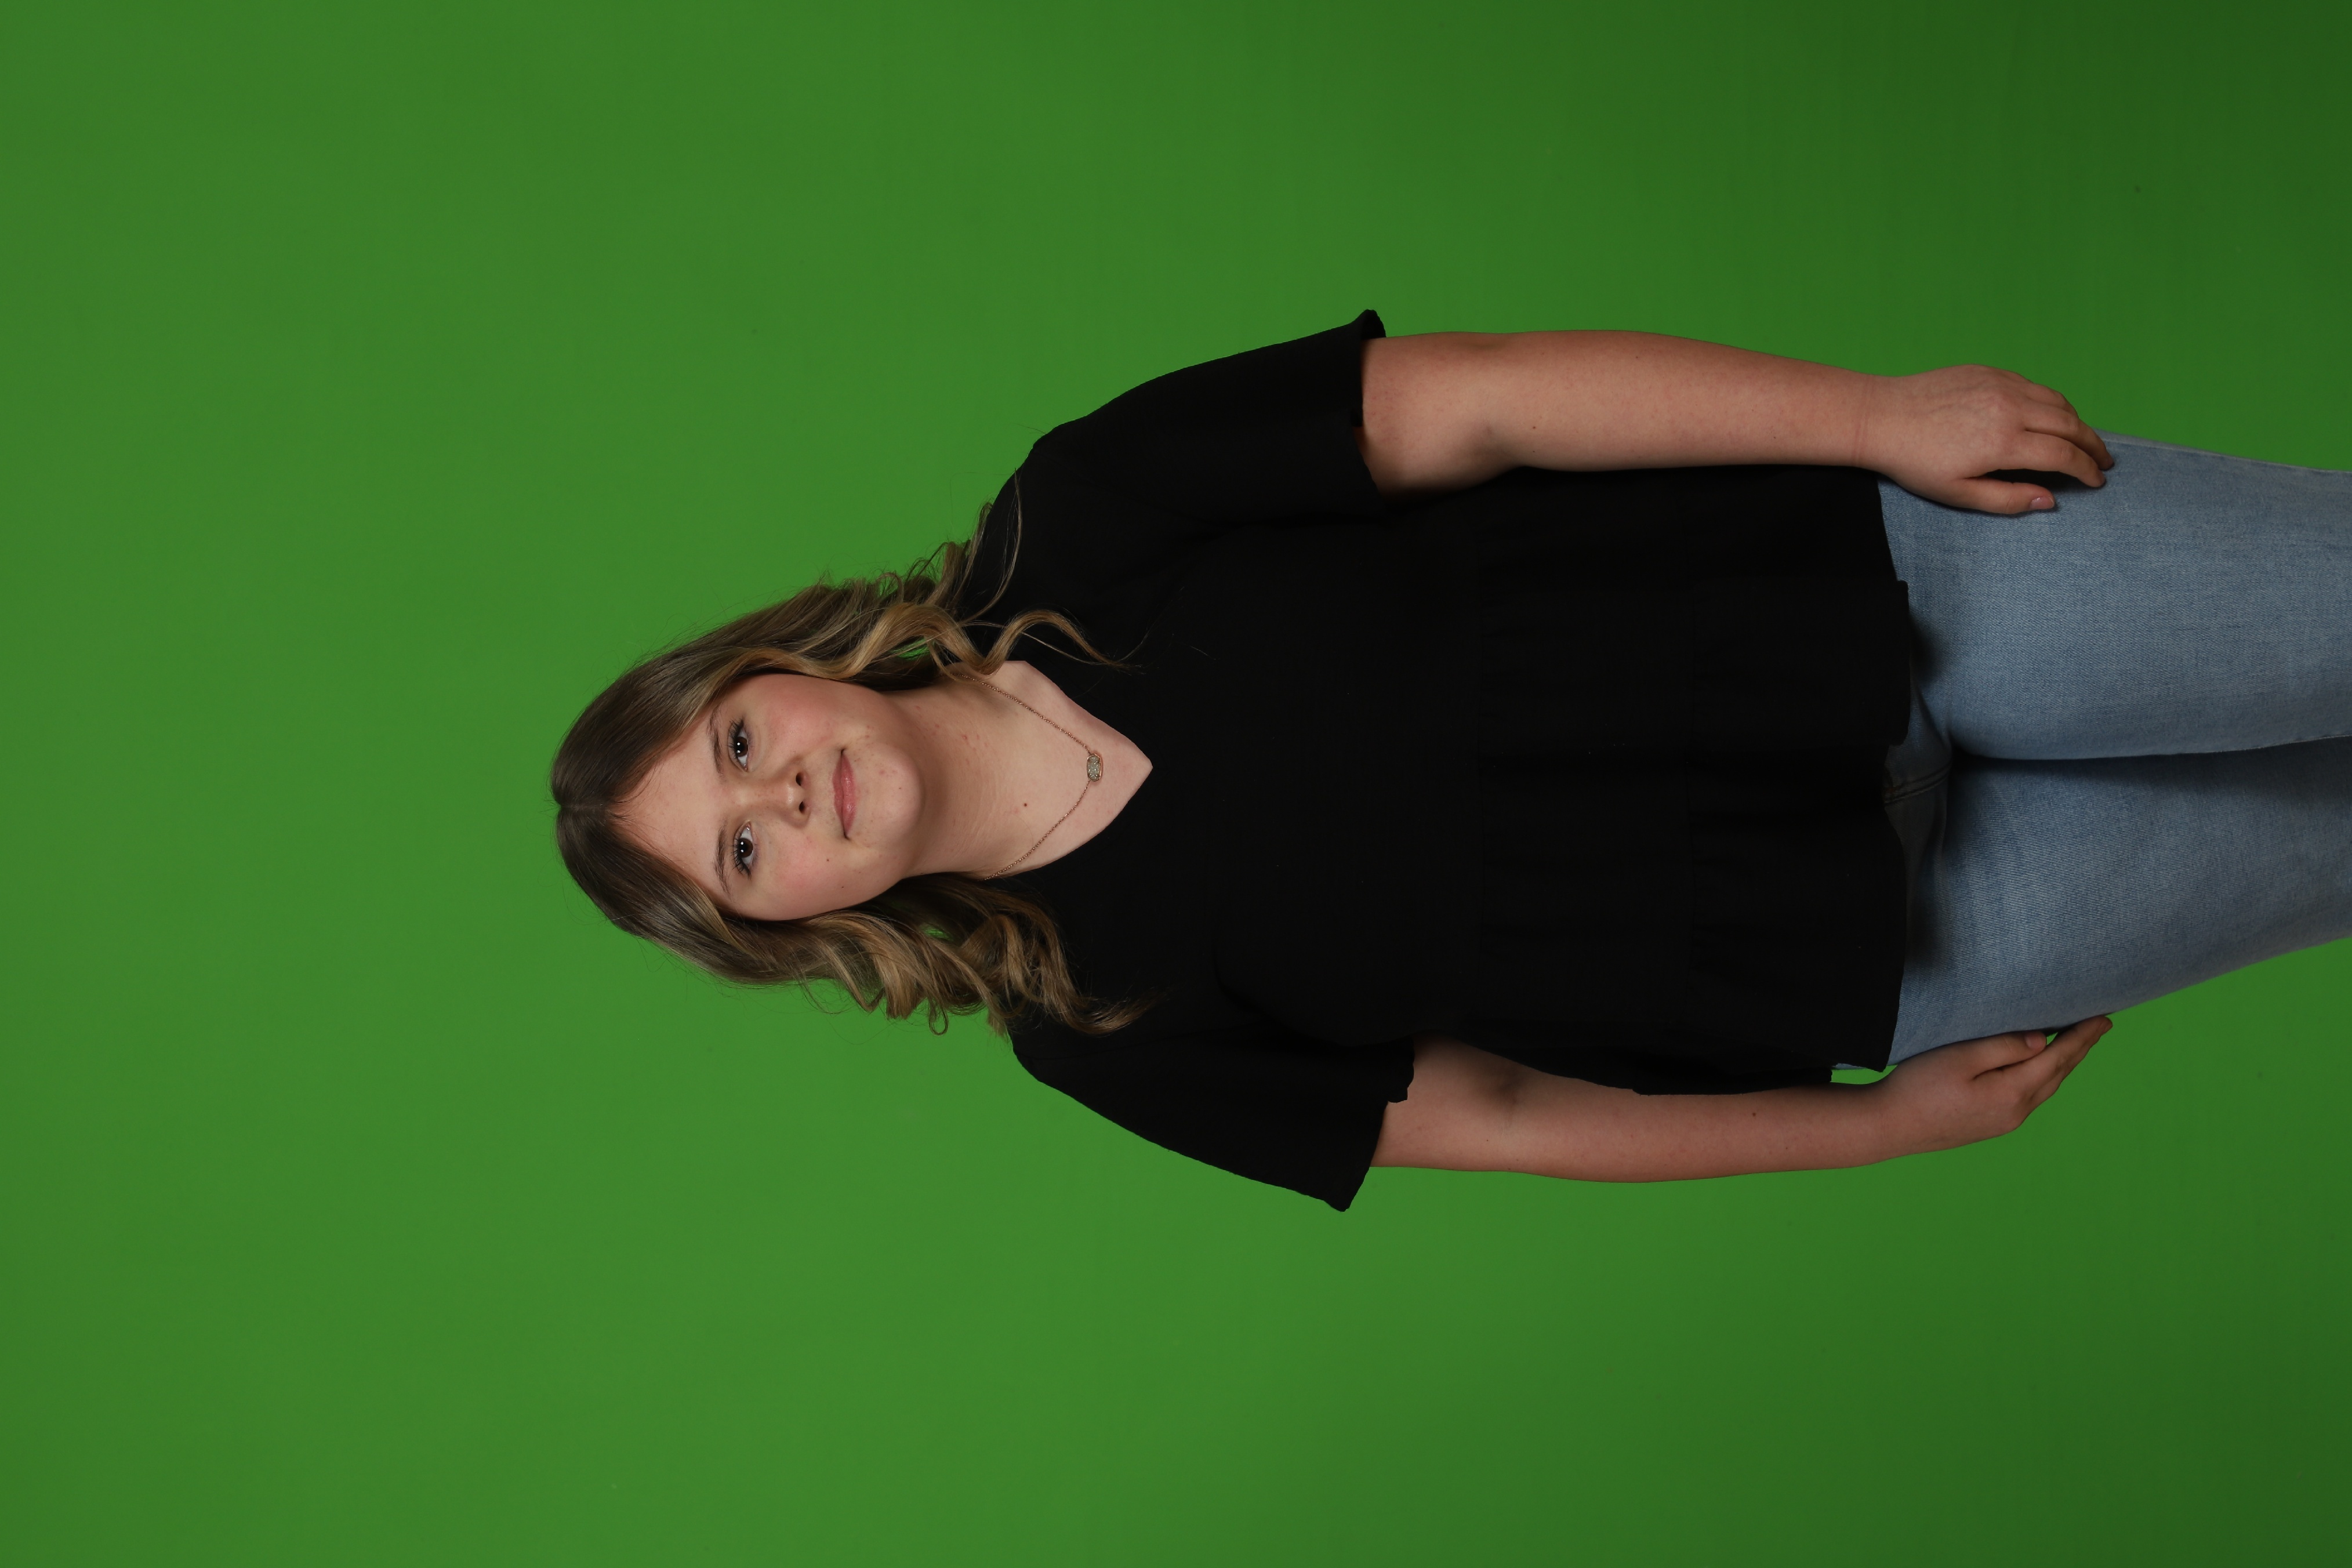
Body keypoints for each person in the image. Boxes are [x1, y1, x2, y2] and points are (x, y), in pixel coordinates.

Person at [552, 313, 2352, 1209]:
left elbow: (1484, 402)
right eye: (741, 853)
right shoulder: (1093, 1027)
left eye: (737, 744)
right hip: (1899, 943)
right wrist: (1871, 1129)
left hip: (1901, 583)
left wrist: (1876, 416)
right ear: (793, 924)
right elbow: (1501, 1118)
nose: (780, 797)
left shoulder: (1084, 510)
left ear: (773, 668)